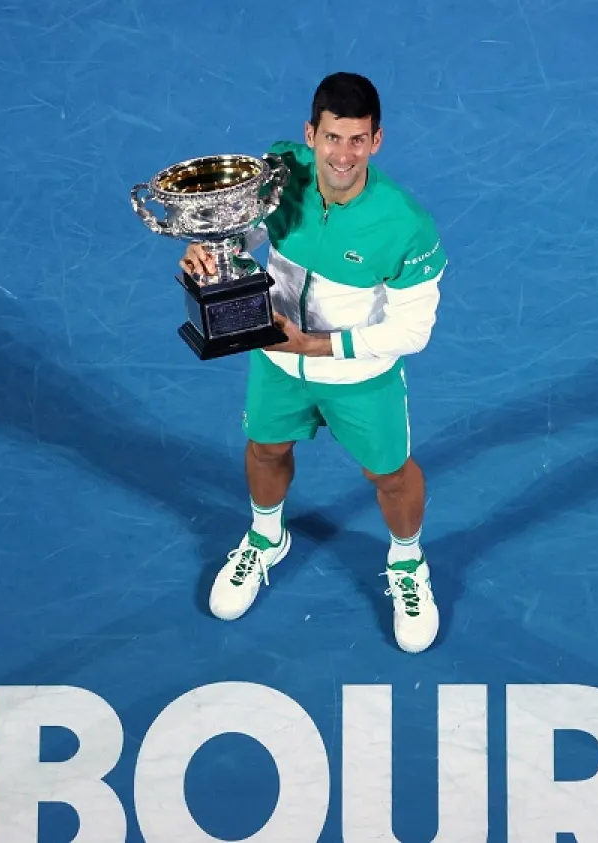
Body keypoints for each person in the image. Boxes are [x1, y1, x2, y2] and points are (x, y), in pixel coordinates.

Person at [180, 72, 447, 653]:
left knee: (390, 476)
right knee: (265, 449)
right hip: (278, 362)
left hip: (359, 376)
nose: (343, 155)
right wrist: (213, 247)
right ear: (310, 134)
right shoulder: (281, 173)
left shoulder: (405, 225)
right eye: (331, 138)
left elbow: (413, 330)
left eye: (357, 140)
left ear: (376, 140)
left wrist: (318, 346)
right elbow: (247, 233)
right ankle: (266, 536)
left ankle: (407, 563)